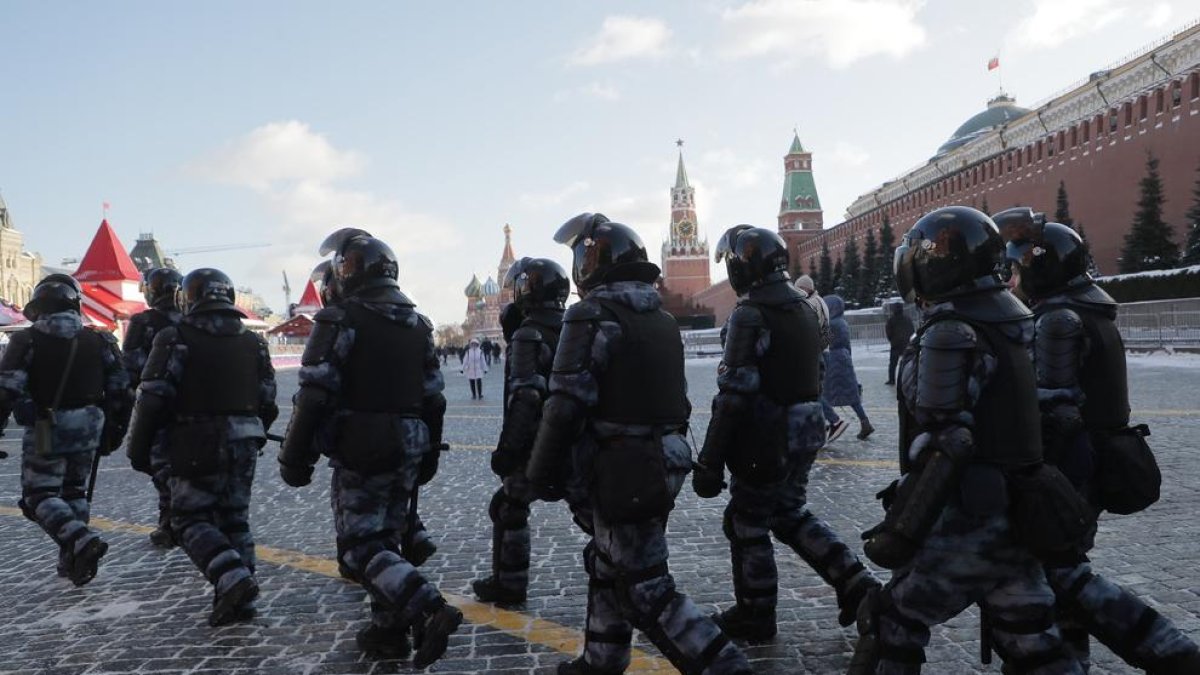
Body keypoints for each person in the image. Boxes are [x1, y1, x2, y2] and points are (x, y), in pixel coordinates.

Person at [849, 206, 1086, 674]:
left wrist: (905, 527)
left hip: (970, 516)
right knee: (1030, 636)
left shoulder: (951, 331)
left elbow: (947, 439)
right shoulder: (1005, 319)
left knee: (892, 620)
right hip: (1015, 507)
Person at [527, 213, 751, 675]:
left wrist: (540, 471)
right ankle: (601, 659)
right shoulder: (661, 317)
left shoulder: (591, 314)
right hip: (661, 460)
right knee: (610, 563)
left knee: (646, 585)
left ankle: (727, 667)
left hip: (621, 465)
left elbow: (565, 403)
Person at [999, 208, 1200, 673]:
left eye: (1019, 266)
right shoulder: (1089, 306)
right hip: (1096, 455)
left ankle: (1171, 653)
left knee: (1064, 573)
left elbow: (1053, 404)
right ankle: (1072, 659)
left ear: (1042, 266)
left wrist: (1033, 475)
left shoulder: (1058, 318)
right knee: (1062, 572)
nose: (1014, 277)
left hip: (1074, 464)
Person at [277, 229, 461, 666]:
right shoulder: (418, 323)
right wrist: (429, 453)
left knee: (360, 547)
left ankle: (427, 607)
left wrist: (294, 455)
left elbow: (315, 393)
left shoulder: (341, 319)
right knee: (388, 540)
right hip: (409, 444)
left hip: (361, 445)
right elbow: (434, 396)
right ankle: (387, 631)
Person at [694, 226, 880, 642]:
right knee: (790, 513)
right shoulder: (804, 307)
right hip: (806, 427)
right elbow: (818, 371)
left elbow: (733, 395)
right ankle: (855, 581)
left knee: (747, 522)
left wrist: (709, 460)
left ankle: (755, 613)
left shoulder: (750, 314)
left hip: (766, 433)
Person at [126, 269, 277, 625]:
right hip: (245, 439)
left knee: (188, 520)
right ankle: (239, 599)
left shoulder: (175, 336)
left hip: (195, 439)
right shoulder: (253, 341)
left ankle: (231, 577)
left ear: (189, 298)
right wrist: (252, 431)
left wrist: (139, 448)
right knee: (235, 520)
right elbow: (268, 400)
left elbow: (153, 397)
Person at [0, 274, 129, 585]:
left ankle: (80, 540)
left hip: (47, 424)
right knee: (74, 491)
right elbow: (122, 390)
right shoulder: (100, 340)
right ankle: (71, 559)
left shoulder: (25, 341)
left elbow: (7, 390)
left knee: (38, 495)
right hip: (89, 425)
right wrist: (114, 431)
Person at [473, 257, 569, 604]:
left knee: (508, 505)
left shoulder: (529, 335)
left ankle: (510, 583)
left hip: (540, 447)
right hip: (582, 442)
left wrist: (508, 451)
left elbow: (526, 398)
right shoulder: (574, 325)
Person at [123, 267, 184, 548]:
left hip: (157, 406)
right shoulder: (194, 319)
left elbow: (132, 369)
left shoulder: (144, 322)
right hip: (197, 405)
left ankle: (171, 521)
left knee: (158, 465)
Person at [822, 294, 874, 440]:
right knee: (851, 395)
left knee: (823, 394)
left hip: (832, 361)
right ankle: (865, 422)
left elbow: (824, 342)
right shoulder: (842, 323)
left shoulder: (831, 324)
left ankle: (825, 425)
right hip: (844, 359)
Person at [884, 302, 914, 386]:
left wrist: (892, 340)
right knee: (907, 362)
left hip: (895, 344)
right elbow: (912, 330)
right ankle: (907, 379)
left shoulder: (891, 320)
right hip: (906, 344)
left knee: (893, 364)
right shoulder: (907, 319)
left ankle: (892, 380)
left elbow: (888, 332)